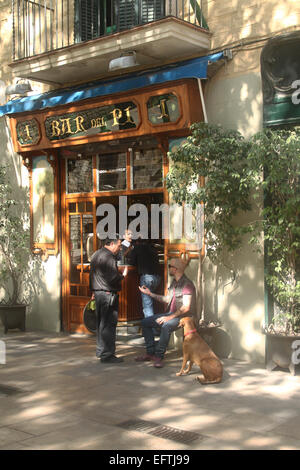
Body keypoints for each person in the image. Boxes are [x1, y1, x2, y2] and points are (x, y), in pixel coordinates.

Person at [136, 258, 196, 368]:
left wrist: (169, 317)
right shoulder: (174, 282)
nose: (168, 268)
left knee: (166, 325)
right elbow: (167, 299)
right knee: (145, 322)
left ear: (176, 269)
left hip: (183, 317)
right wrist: (150, 294)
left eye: (170, 266)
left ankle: (159, 356)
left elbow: (186, 307)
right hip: (172, 314)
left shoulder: (187, 284)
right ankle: (150, 353)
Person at [89, 235, 128, 363]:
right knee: (109, 325)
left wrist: (93, 291)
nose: (119, 248)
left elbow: (92, 275)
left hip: (99, 294)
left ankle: (101, 351)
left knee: (101, 324)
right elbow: (113, 278)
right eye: (118, 245)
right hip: (108, 295)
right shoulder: (109, 257)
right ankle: (107, 355)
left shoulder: (96, 254)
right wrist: (122, 275)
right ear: (111, 243)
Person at [130, 238, 161, 318]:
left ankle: (150, 327)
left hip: (147, 277)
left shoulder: (137, 247)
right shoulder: (153, 247)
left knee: (147, 305)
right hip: (157, 277)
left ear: (136, 241)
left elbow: (132, 263)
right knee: (153, 301)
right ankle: (154, 324)